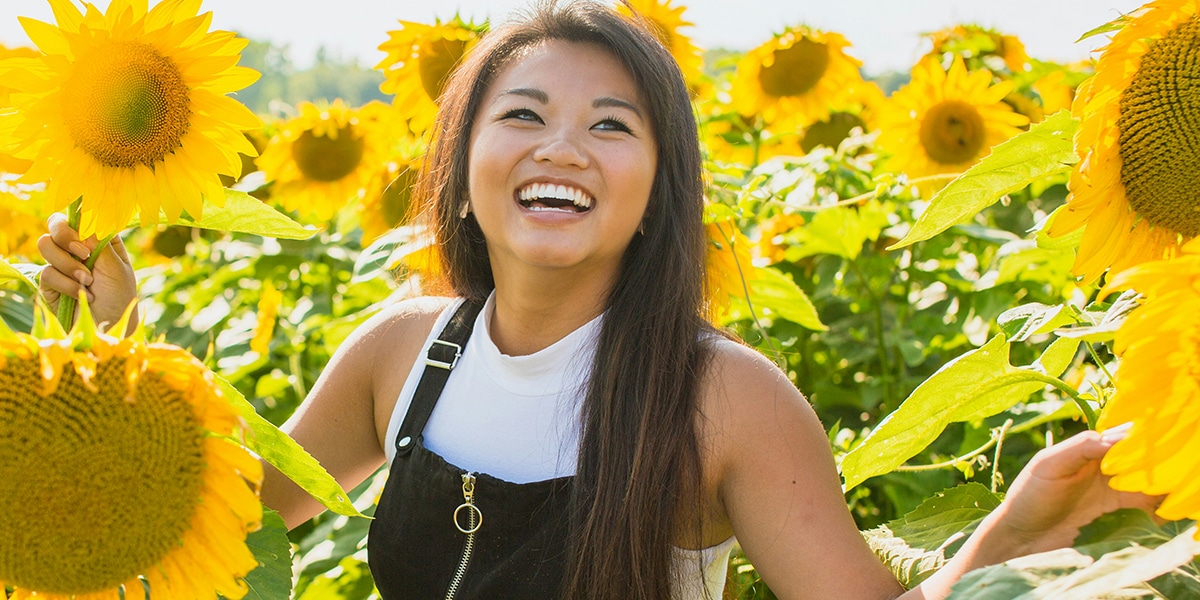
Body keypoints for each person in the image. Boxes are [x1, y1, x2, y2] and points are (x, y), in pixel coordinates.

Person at [38, 1, 1159, 598]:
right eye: (520, 115)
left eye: (611, 125)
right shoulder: (400, 354)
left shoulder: (722, 397)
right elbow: (223, 533)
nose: (561, 147)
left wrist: (1004, 545)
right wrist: (117, 345)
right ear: (462, 169)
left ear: (657, 190)